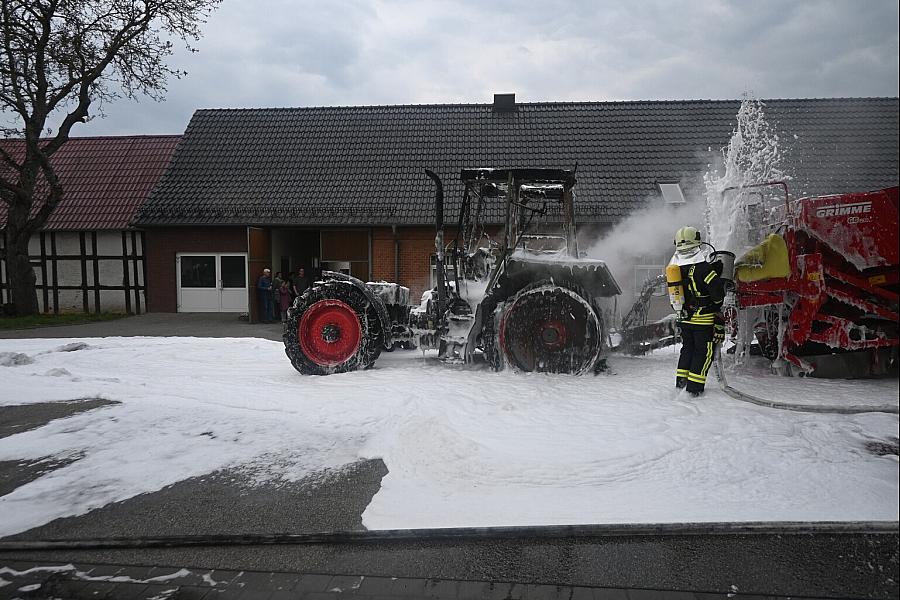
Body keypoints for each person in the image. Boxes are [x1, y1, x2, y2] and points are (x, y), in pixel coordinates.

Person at [669, 226, 726, 396]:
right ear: (697, 242)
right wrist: (717, 274)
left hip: (684, 317)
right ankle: (693, 391)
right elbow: (717, 295)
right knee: (703, 352)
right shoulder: (703, 268)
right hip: (703, 320)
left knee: (687, 349)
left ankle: (681, 385)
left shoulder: (674, 269)